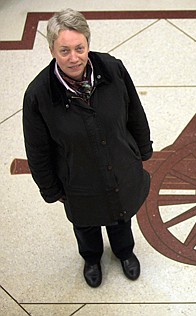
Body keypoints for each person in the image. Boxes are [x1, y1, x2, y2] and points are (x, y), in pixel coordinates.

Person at [22, 8, 153, 288]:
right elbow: (37, 150)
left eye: (79, 48)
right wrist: (50, 189)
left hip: (118, 166)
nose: (74, 58)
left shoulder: (112, 68)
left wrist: (142, 150)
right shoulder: (38, 95)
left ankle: (124, 252)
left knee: (121, 217)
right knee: (85, 225)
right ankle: (92, 258)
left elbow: (134, 113)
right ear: (51, 50)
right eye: (64, 50)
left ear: (88, 44)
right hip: (78, 180)